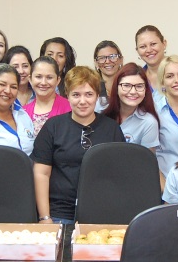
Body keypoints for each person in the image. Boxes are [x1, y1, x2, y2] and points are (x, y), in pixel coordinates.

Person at [32, 66, 125, 223]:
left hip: (101, 213)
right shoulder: (53, 126)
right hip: (59, 213)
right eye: (76, 95)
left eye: (89, 94)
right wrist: (45, 217)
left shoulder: (111, 128)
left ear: (97, 96)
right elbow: (41, 173)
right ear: (67, 96)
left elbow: (118, 175)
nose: (82, 101)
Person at [102, 63, 159, 151]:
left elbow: (147, 159)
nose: (133, 92)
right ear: (116, 88)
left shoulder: (149, 122)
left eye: (139, 86)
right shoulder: (100, 110)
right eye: (126, 85)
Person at [154, 54, 178, 179]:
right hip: (167, 183)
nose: (177, 80)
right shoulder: (155, 113)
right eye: (170, 76)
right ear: (162, 83)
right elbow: (149, 156)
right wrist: (164, 187)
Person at [135, 25, 178, 97]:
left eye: (153, 44)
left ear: (164, 43)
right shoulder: (135, 79)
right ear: (137, 50)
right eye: (143, 47)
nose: (149, 50)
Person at [24, 56, 70, 136]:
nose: (43, 82)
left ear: (58, 80)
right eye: (38, 77)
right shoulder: (23, 112)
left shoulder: (69, 108)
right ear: (30, 79)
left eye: (49, 77)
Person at [93, 40, 124, 111]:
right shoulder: (92, 88)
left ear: (121, 60)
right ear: (96, 63)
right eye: (102, 58)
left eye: (112, 57)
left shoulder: (129, 86)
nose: (107, 61)